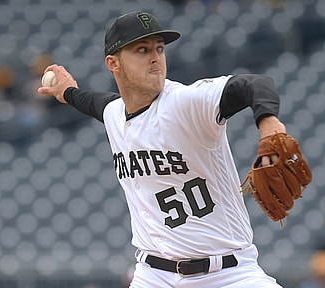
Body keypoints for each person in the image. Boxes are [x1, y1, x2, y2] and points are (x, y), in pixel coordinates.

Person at [39, 11, 288, 288]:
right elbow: (94, 102)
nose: (155, 57)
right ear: (113, 63)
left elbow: (254, 84)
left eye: (159, 48)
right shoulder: (114, 114)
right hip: (153, 275)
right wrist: (67, 92)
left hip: (228, 274)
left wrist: (269, 123)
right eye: (142, 50)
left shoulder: (184, 103)